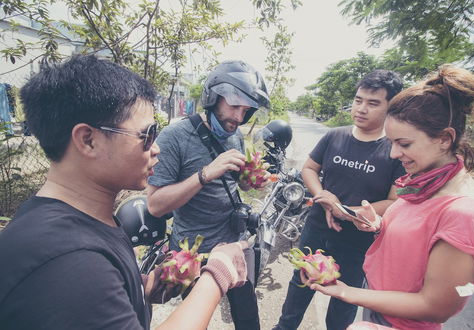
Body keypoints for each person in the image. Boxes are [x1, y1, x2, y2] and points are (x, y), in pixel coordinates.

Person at [0, 55, 250, 330]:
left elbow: (93, 301)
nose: (156, 148)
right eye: (147, 134)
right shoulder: (69, 262)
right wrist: (217, 275)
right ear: (88, 140)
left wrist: (142, 288)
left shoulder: (85, 224)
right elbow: (84, 283)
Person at [309, 66, 474, 329]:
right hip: (378, 309)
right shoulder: (424, 182)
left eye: (404, 144)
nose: (393, 154)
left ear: (445, 139)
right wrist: (379, 225)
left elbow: (436, 306)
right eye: (392, 143)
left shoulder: (466, 213)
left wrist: (347, 292)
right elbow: (417, 240)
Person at [274, 70, 405, 330]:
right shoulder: (335, 136)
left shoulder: (395, 149)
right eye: (358, 100)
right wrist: (324, 198)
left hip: (358, 242)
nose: (361, 108)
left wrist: (345, 210)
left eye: (373, 103)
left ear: (390, 107)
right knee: (299, 288)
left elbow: (394, 201)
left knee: (344, 304)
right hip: (316, 229)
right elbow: (309, 168)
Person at [147, 60, 270, 330]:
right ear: (213, 98)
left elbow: (232, 183)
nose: (238, 118)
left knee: (248, 318)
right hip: (194, 254)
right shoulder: (174, 137)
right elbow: (155, 206)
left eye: (246, 111)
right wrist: (204, 174)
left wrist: (250, 180)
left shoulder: (234, 134)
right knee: (196, 319)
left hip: (233, 246)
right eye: (234, 106)